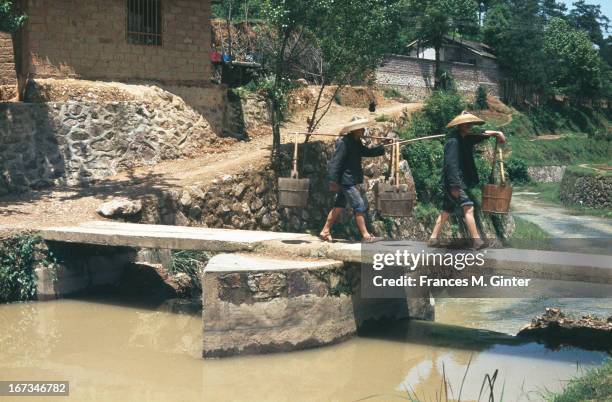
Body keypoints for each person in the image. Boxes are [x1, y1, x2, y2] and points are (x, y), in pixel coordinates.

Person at [428, 111, 506, 250]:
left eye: (470, 123)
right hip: (454, 182)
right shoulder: (453, 141)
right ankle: (476, 241)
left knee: (447, 209)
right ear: (460, 125)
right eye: (466, 123)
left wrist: (497, 133)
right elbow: (450, 165)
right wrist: (454, 186)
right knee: (468, 207)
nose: (468, 125)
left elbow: (481, 134)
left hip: (456, 182)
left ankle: (433, 239)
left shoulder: (466, 138)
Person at [319, 119, 386, 243]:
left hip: (350, 179)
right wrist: (333, 181)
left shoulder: (356, 142)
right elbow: (335, 163)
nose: (363, 131)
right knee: (359, 205)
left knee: (339, 206)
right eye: (361, 129)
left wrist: (381, 148)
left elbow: (366, 152)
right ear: (355, 130)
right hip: (346, 181)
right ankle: (366, 236)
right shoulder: (344, 143)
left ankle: (325, 230)